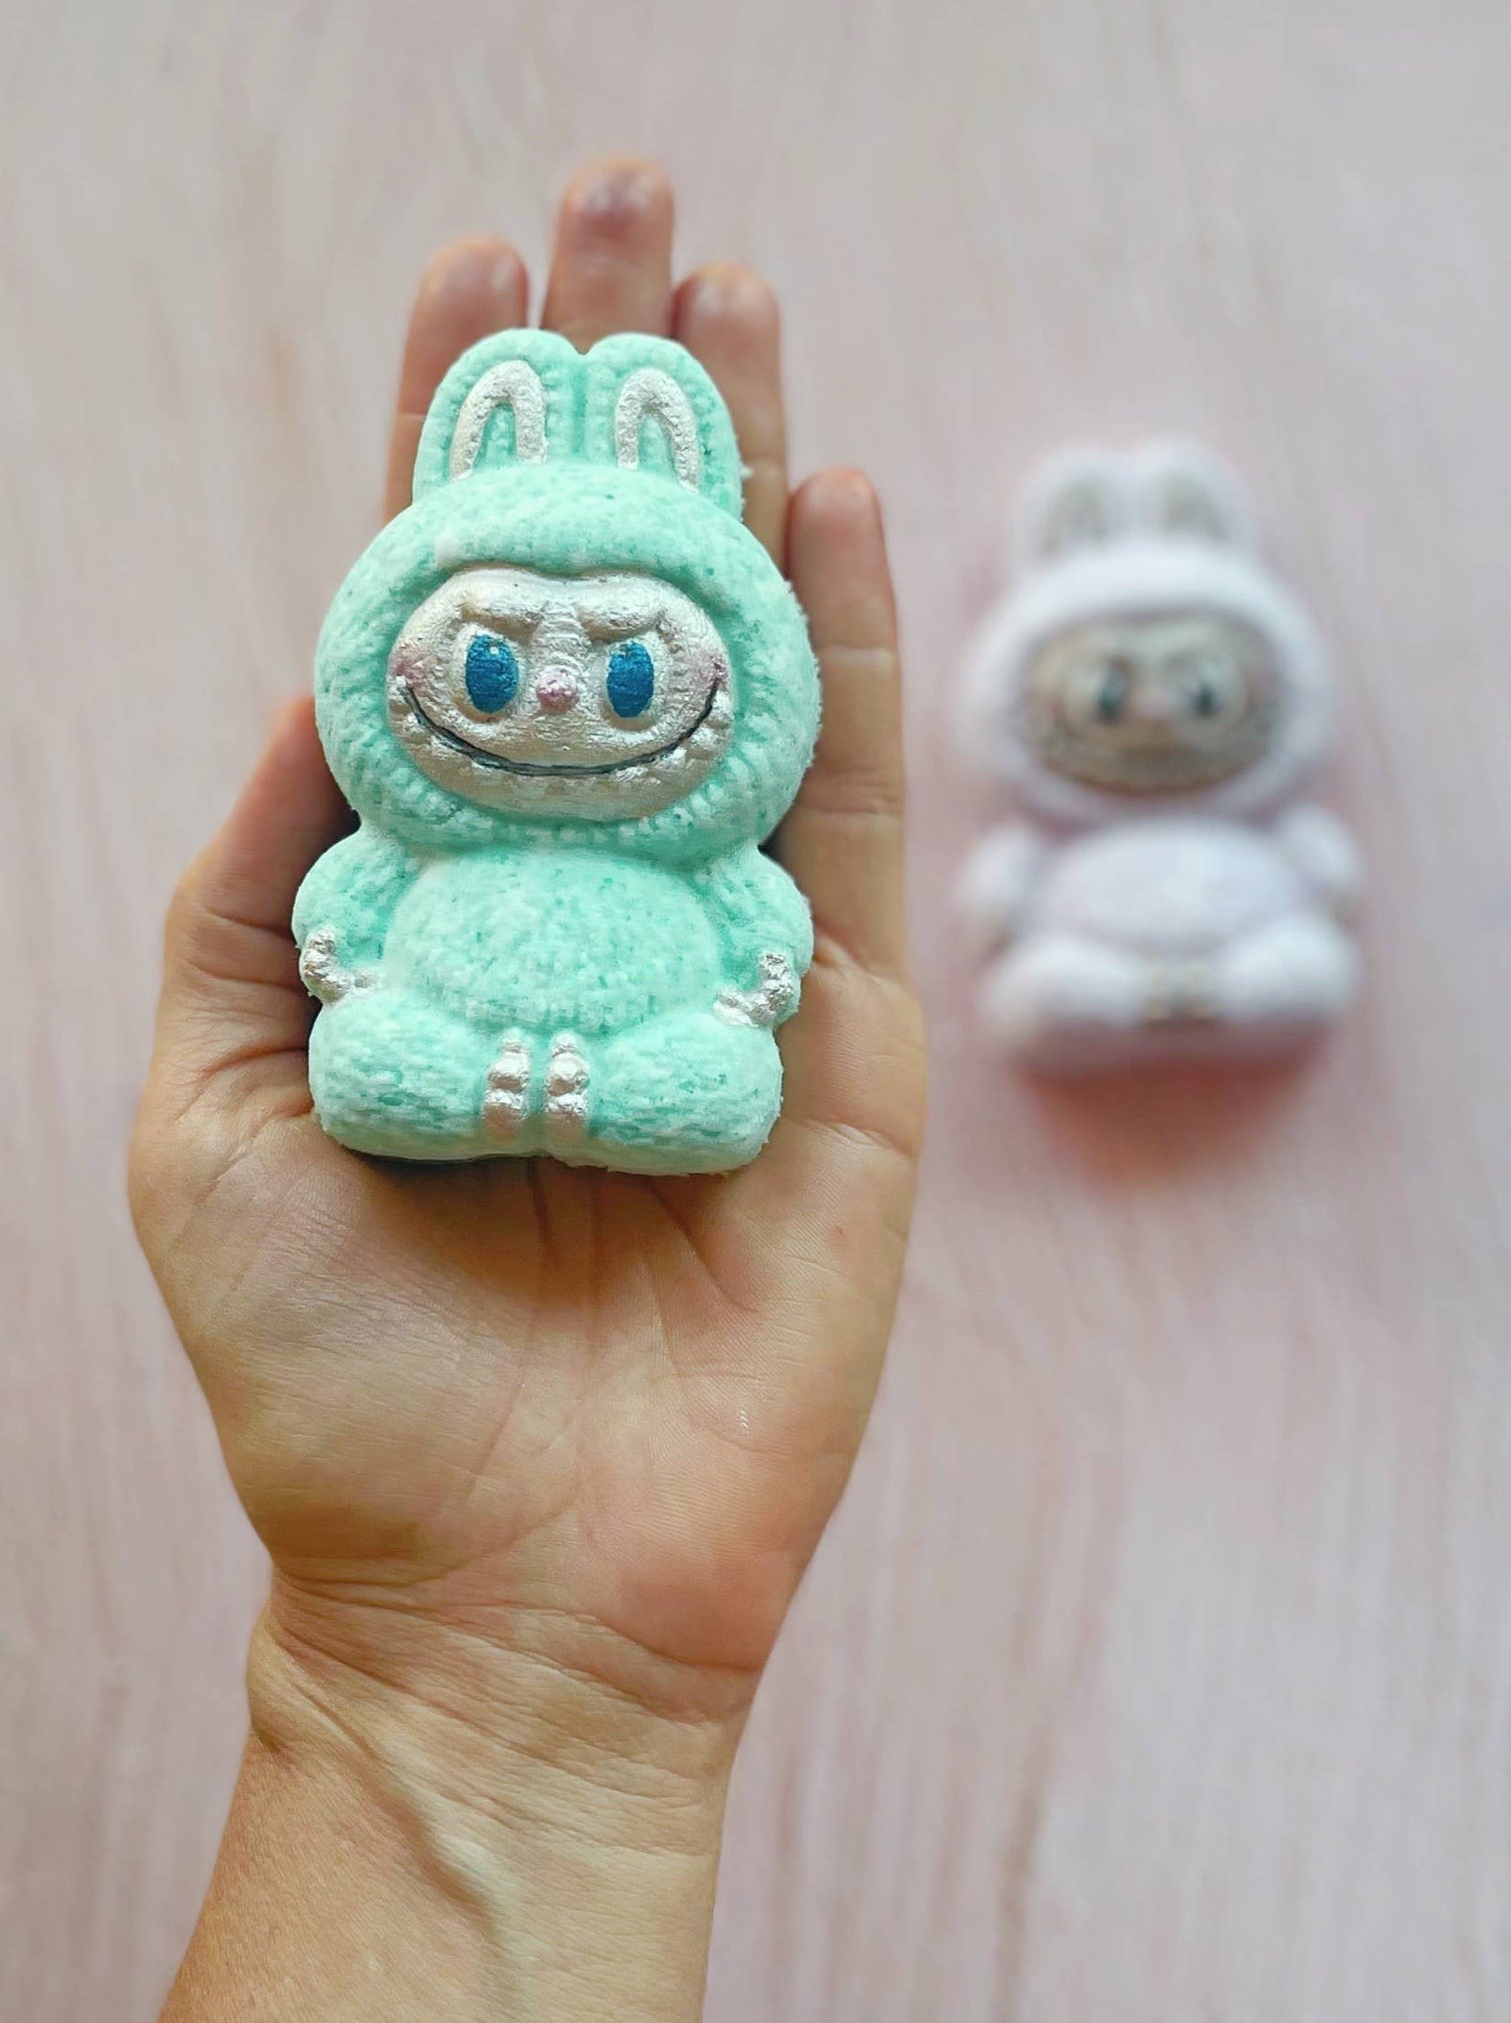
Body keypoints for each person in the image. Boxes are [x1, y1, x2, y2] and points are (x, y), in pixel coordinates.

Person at [128, 158, 927, 2019]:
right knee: (389, 1054)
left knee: (706, 1084)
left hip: (655, 1052)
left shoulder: (704, 860)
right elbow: (341, 913)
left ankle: (558, 1073)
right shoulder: (414, 849)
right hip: (434, 1052)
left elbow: (757, 934)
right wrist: (459, 1680)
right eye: (493, 659)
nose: (558, 698)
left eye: (629, 663)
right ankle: (478, 1070)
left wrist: (740, 984)